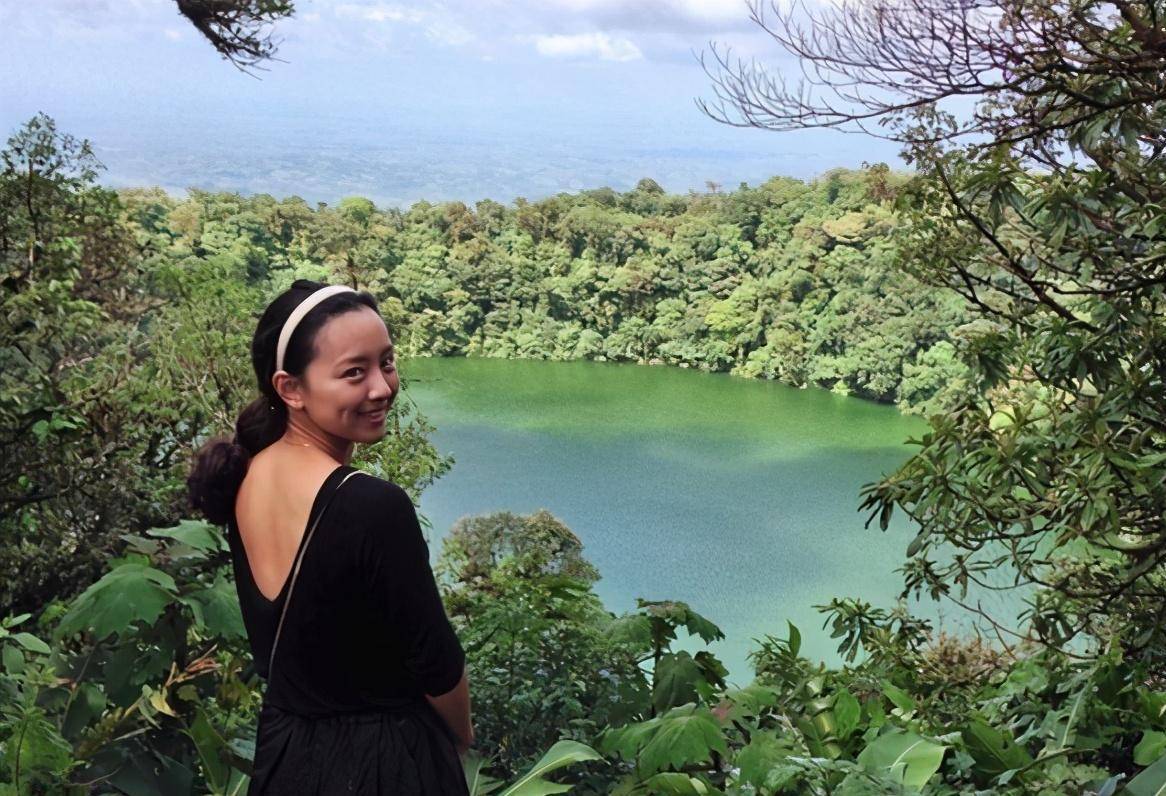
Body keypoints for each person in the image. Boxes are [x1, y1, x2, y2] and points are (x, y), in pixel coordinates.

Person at [187, 280, 473, 794]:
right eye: (353, 373)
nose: (382, 388)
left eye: (386, 362)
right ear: (290, 389)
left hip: (286, 758)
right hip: (386, 765)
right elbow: (437, 664)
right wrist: (462, 737)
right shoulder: (369, 505)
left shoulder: (246, 477)